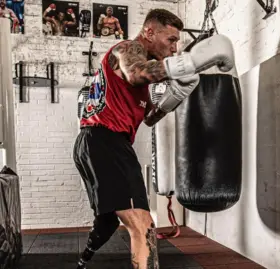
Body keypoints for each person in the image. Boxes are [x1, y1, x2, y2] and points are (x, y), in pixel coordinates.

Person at [73, 8, 234, 269]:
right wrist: (190, 62)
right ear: (149, 32)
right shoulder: (126, 48)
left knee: (109, 220)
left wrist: (175, 96)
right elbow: (136, 71)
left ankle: (83, 259)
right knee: (143, 224)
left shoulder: (140, 86)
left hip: (95, 143)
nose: (174, 48)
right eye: (170, 40)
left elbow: (149, 118)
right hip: (105, 141)